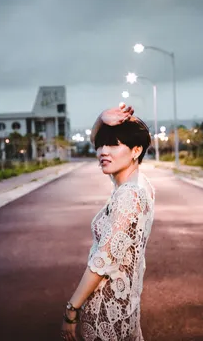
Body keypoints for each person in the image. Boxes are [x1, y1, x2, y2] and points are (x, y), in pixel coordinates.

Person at [61, 103, 155, 341]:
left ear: (136, 150)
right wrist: (101, 119)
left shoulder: (129, 195)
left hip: (106, 311)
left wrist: (72, 309)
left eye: (113, 144)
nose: (103, 151)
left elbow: (103, 261)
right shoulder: (140, 184)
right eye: (101, 144)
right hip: (127, 306)